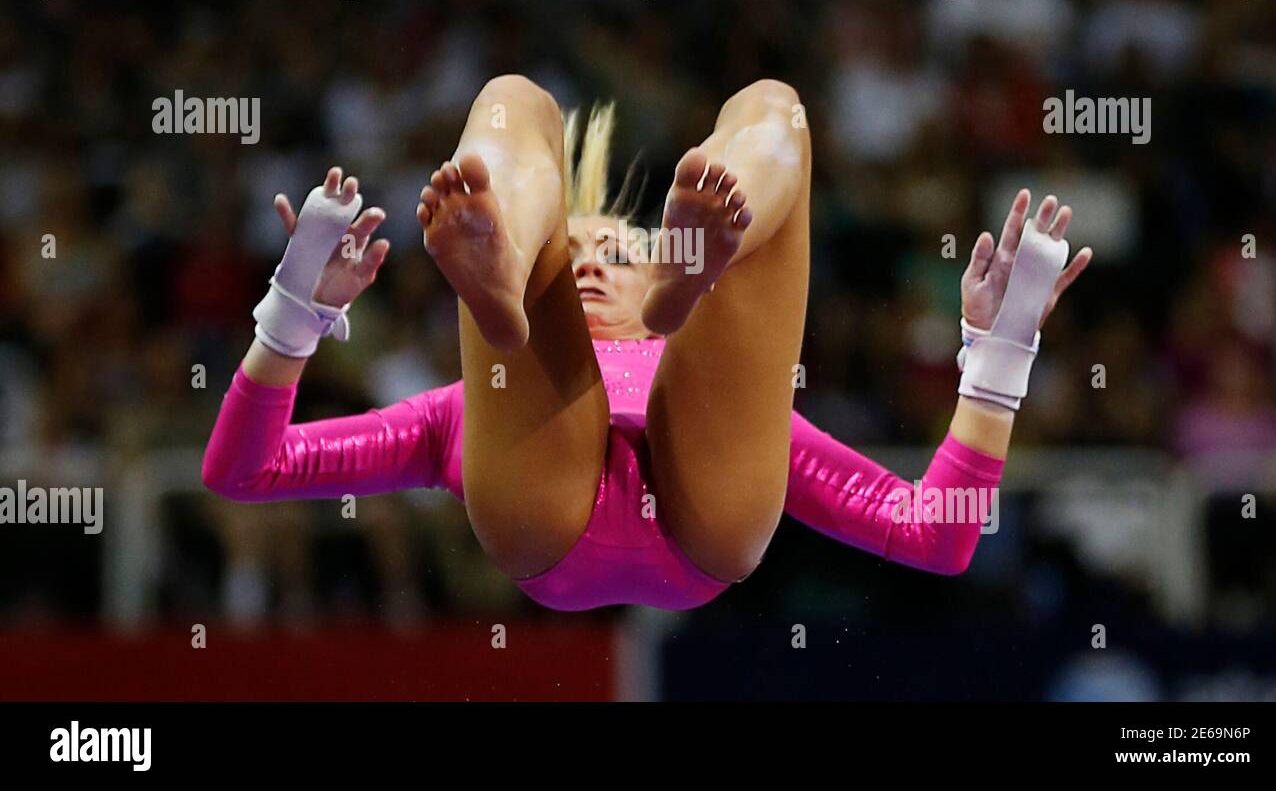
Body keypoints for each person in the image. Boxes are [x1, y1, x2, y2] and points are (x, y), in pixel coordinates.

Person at [202, 76, 1091, 611]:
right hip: (548, 474)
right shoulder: (459, 413)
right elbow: (242, 471)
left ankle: (690, 258)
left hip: (689, 482)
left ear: (656, 264)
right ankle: (503, 270)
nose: (590, 267)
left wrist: (999, 347)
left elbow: (935, 537)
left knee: (776, 110)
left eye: (618, 252)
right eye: (572, 252)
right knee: (513, 102)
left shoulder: (716, 397)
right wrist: (294, 312)